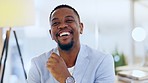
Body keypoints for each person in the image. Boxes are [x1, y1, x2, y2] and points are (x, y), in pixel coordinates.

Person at [27, 4, 115, 83]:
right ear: (51, 34)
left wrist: (66, 79)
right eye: (56, 23)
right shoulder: (37, 64)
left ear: (81, 28)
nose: (62, 26)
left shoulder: (102, 61)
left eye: (69, 21)